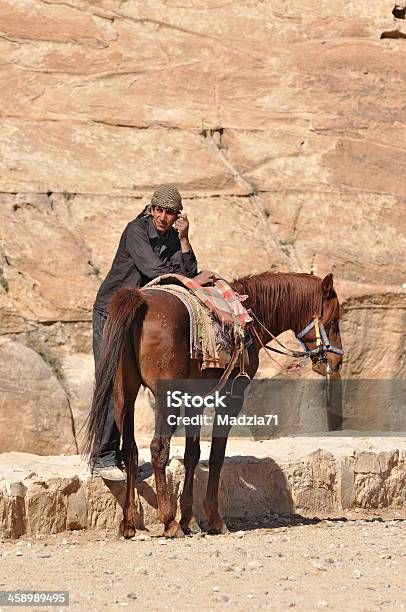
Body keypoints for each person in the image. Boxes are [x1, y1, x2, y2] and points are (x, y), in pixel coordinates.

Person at [92, 184, 214, 480]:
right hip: (111, 312)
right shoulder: (135, 230)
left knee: (132, 384)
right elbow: (157, 270)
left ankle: (124, 457)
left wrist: (184, 240)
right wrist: (193, 279)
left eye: (169, 212)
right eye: (159, 210)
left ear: (177, 216)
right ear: (151, 209)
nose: (163, 216)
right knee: (112, 381)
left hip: (136, 314)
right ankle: (103, 457)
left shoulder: (173, 235)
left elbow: (185, 268)